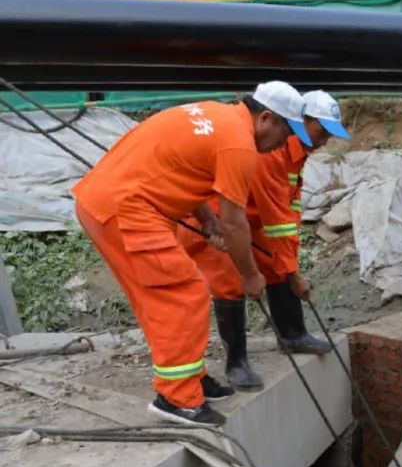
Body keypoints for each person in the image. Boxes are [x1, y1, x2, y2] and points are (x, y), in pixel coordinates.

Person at [72, 82, 307, 426]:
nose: (283, 144)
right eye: (285, 133)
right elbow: (235, 223)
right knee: (183, 292)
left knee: (163, 297)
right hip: (126, 208)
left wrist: (206, 219)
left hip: (111, 202)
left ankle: (189, 377)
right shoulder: (239, 145)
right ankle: (177, 398)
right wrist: (251, 275)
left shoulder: (218, 116)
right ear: (266, 118)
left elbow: (184, 169)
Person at [179, 91, 351, 391]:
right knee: (230, 281)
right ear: (303, 121)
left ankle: (292, 334)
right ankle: (237, 363)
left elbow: (287, 208)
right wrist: (294, 275)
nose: (325, 141)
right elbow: (278, 222)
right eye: (322, 132)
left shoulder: (298, 152)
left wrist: (287, 267)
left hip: (250, 216)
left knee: (274, 263)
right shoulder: (272, 153)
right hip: (216, 218)